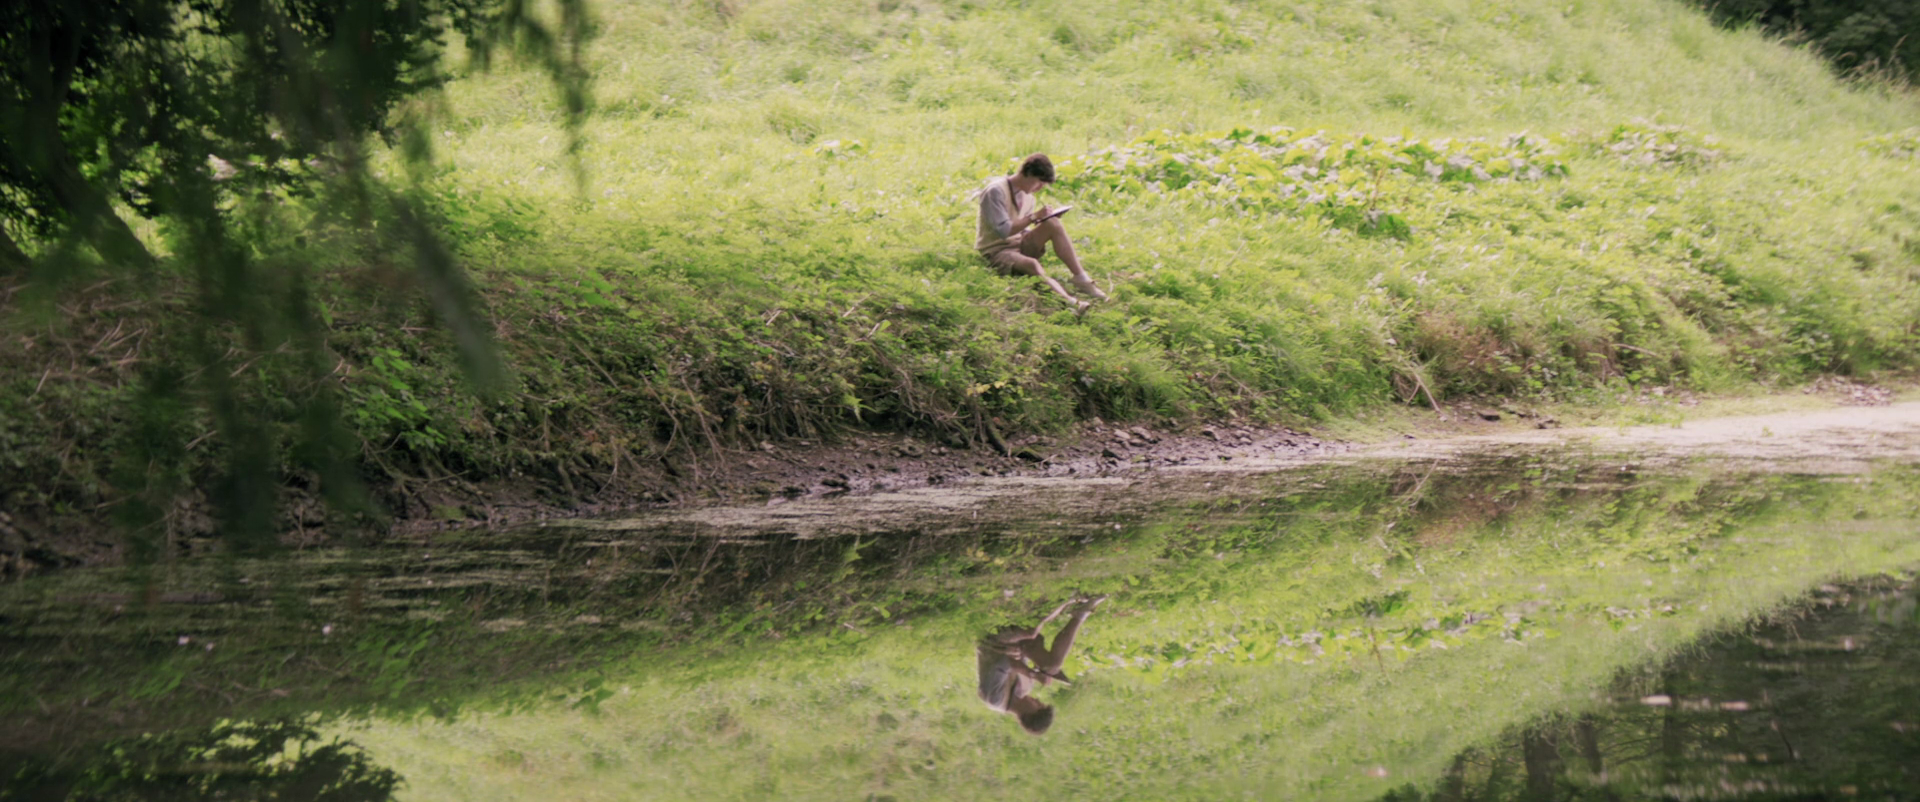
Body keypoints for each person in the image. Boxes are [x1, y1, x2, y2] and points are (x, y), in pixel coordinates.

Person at [976, 153, 1109, 314]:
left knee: (1053, 223)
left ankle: (1081, 279)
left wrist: (1042, 222)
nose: (1040, 188)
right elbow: (1003, 231)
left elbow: (1023, 228)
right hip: (997, 250)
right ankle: (1071, 303)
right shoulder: (995, 191)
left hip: (1020, 243)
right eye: (1039, 182)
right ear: (1028, 174)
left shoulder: (1028, 197)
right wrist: (1033, 217)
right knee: (1032, 265)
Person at [976, 594, 1107, 735]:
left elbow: (1004, 663)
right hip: (1015, 644)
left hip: (993, 641)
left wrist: (1033, 674)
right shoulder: (1025, 688)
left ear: (1026, 714)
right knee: (1052, 666)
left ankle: (1067, 599)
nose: (1037, 700)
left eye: (1037, 705)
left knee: (1030, 632)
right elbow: (1021, 657)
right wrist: (1044, 672)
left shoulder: (995, 700)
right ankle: (1081, 612)